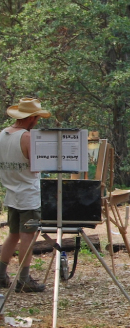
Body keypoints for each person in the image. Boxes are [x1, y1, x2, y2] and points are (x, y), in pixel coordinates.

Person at [0, 98, 49, 292]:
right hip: (28, 192)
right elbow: (37, 165)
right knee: (28, 236)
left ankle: (1, 274)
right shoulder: (27, 137)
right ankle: (24, 279)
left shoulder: (2, 135)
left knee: (12, 234)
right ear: (32, 118)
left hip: (11, 191)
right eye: (36, 118)